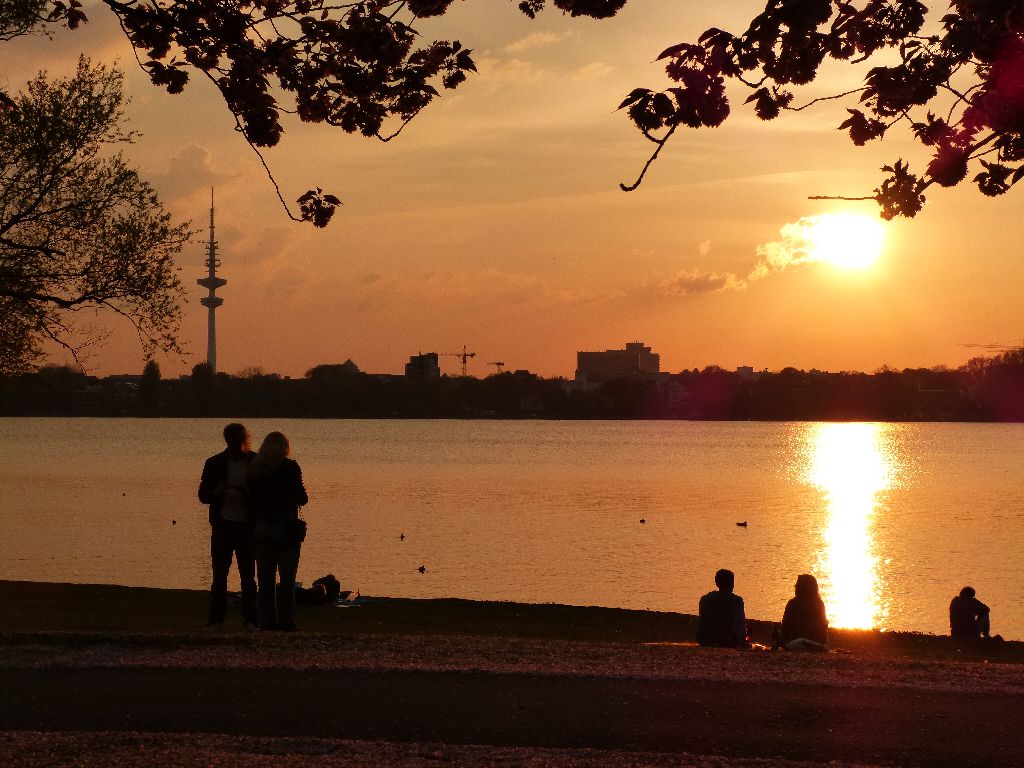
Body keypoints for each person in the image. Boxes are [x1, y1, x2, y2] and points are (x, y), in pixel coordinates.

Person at [197, 422, 258, 631]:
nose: (235, 447)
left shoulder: (255, 462)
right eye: (231, 443)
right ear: (226, 441)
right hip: (223, 525)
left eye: (239, 442)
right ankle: (216, 620)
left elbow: (264, 496)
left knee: (248, 576)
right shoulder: (214, 463)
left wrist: (249, 494)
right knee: (219, 576)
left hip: (247, 527)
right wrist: (216, 493)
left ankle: (251, 619)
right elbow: (203, 496)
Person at [249, 431, 308, 631]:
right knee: (287, 578)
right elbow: (302, 498)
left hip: (262, 527)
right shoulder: (291, 467)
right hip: (286, 528)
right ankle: (286, 619)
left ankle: (266, 620)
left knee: (265, 579)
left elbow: (251, 498)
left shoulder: (256, 468)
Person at [696, 568, 748, 647]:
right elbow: (739, 622)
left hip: (704, 639)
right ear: (732, 583)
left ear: (716, 583)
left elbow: (703, 620)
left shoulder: (705, 599)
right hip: (725, 640)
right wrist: (742, 639)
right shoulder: (736, 601)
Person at [779, 574, 829, 651]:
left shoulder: (793, 603)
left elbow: (785, 628)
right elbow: (823, 630)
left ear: (801, 587)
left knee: (777, 636)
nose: (795, 587)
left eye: (797, 585)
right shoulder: (819, 603)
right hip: (819, 645)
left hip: (798, 643)